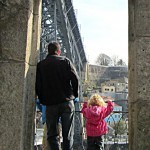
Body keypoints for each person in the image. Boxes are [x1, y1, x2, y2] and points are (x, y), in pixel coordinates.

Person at [35, 41, 79, 150]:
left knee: (52, 135)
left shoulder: (41, 65)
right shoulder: (65, 61)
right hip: (67, 102)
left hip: (50, 104)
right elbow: (75, 79)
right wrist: (74, 95)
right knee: (67, 135)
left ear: (47, 51)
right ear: (58, 51)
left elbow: (38, 85)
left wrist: (42, 99)